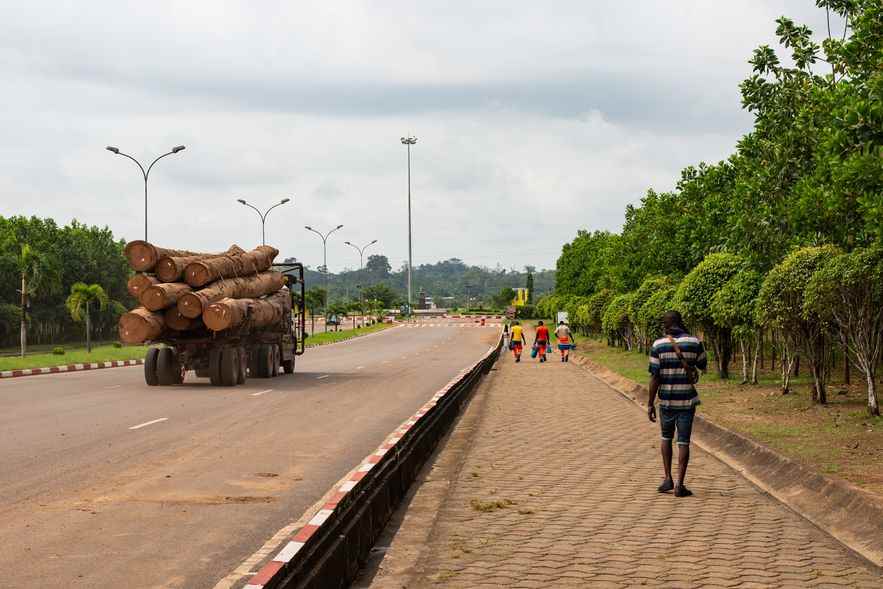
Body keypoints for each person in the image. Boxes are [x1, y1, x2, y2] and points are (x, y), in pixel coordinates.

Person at [647, 310, 707, 498]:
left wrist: (650, 403)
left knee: (666, 438)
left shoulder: (658, 344)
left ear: (665, 325)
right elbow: (703, 365)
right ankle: (680, 484)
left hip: (666, 401)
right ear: (681, 322)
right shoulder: (695, 342)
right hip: (687, 401)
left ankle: (667, 479)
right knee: (683, 442)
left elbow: (655, 377)